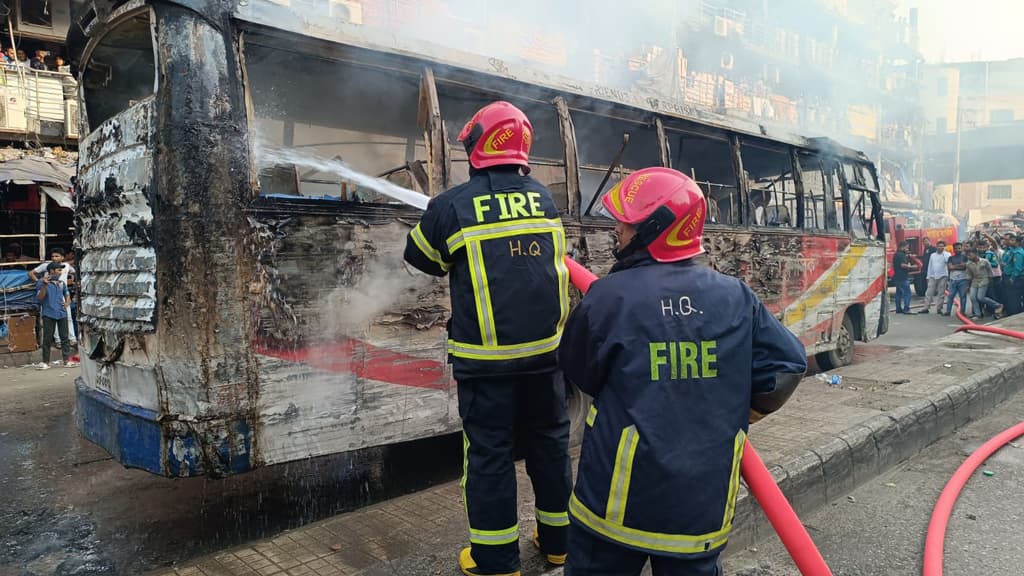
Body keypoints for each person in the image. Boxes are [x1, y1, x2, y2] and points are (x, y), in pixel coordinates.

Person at [558, 167, 807, 576]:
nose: (617, 230)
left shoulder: (608, 298)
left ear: (653, 229)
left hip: (615, 504)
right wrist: (733, 414)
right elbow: (787, 366)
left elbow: (579, 369)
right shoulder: (736, 297)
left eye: (626, 222)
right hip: (699, 510)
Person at [403, 101, 572, 576]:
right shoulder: (545, 199)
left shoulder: (452, 206)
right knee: (550, 447)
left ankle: (496, 561)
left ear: (478, 145)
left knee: (490, 457)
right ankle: (560, 544)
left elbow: (421, 258)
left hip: (486, 365)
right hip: (545, 360)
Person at [35, 262, 78, 369]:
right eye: (58, 270)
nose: (60, 272)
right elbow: (40, 297)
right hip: (48, 313)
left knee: (65, 338)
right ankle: (45, 362)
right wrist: (45, 285)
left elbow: (66, 293)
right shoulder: (41, 282)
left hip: (61, 313)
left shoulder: (61, 283)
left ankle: (66, 361)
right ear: (52, 271)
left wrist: (67, 302)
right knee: (47, 339)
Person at [966, 249, 1003, 319]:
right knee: (972, 297)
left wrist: (990, 281)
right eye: (968, 256)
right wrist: (968, 286)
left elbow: (990, 271)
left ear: (975, 254)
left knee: (980, 297)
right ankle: (978, 314)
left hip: (984, 279)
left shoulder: (984, 261)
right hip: (975, 280)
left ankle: (998, 305)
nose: (969, 257)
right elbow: (969, 275)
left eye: (970, 255)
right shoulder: (968, 264)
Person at [919, 240, 949, 314]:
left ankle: (939, 308)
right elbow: (930, 266)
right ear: (936, 247)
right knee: (929, 292)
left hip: (943, 276)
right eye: (939, 246)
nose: (940, 248)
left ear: (944, 247)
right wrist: (928, 277)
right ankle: (926, 307)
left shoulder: (947, 254)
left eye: (942, 246)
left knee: (941, 293)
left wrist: (944, 254)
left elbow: (948, 262)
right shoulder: (932, 255)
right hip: (932, 276)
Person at [1000, 234, 1024, 316]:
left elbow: (1018, 268)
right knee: (1010, 298)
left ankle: (1015, 315)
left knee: (1014, 298)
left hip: (1016, 279)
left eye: (1012, 240)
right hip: (1008, 276)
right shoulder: (1012, 250)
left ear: (1017, 242)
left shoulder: (1018, 253)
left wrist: (1012, 278)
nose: (1009, 241)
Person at [943, 242, 968, 317]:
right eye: (956, 248)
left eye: (959, 248)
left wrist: (955, 266)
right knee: (950, 296)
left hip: (963, 280)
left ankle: (962, 312)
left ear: (962, 248)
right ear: (953, 249)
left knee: (963, 297)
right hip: (953, 280)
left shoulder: (965, 257)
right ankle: (948, 311)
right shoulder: (951, 258)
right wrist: (960, 265)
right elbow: (950, 268)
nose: (957, 250)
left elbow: (965, 267)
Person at [892, 241, 915, 314]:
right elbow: (902, 265)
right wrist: (911, 266)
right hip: (903, 277)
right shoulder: (901, 255)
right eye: (907, 247)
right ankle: (906, 309)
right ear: (903, 247)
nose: (907, 249)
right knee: (907, 293)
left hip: (897, 276)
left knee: (898, 293)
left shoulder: (896, 255)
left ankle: (898, 309)